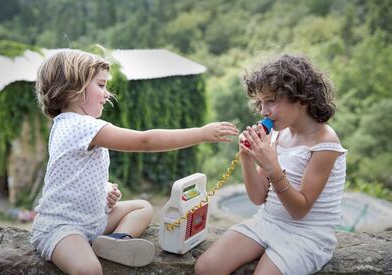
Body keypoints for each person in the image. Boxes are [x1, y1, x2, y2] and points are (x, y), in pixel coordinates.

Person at [31, 49, 239, 275]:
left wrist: (105, 189)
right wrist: (201, 133)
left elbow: (74, 174)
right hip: (63, 228)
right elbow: (145, 141)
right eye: (101, 85)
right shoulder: (80, 126)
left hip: (93, 221)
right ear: (74, 89)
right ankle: (108, 244)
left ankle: (115, 242)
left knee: (142, 208)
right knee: (89, 270)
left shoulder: (70, 125)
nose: (107, 94)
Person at [195, 54, 347, 275]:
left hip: (306, 234)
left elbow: (299, 210)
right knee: (206, 267)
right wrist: (246, 157)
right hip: (268, 222)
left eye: (271, 101)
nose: (264, 111)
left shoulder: (325, 143)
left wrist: (272, 168)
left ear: (300, 97)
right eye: (261, 102)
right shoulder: (277, 135)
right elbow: (258, 198)